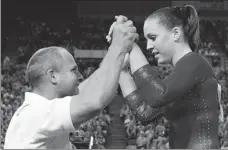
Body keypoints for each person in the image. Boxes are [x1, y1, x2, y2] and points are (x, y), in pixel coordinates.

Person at [4, 15, 138, 149]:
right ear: (53, 76)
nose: (80, 76)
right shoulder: (35, 113)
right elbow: (93, 101)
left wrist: (115, 61)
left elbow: (85, 91)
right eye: (73, 70)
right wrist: (118, 46)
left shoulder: (38, 112)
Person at [118, 5, 220, 149]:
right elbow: (144, 113)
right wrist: (122, 72)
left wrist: (132, 46)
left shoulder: (195, 62)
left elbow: (158, 95)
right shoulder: (182, 75)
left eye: (153, 38)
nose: (148, 46)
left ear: (176, 34)